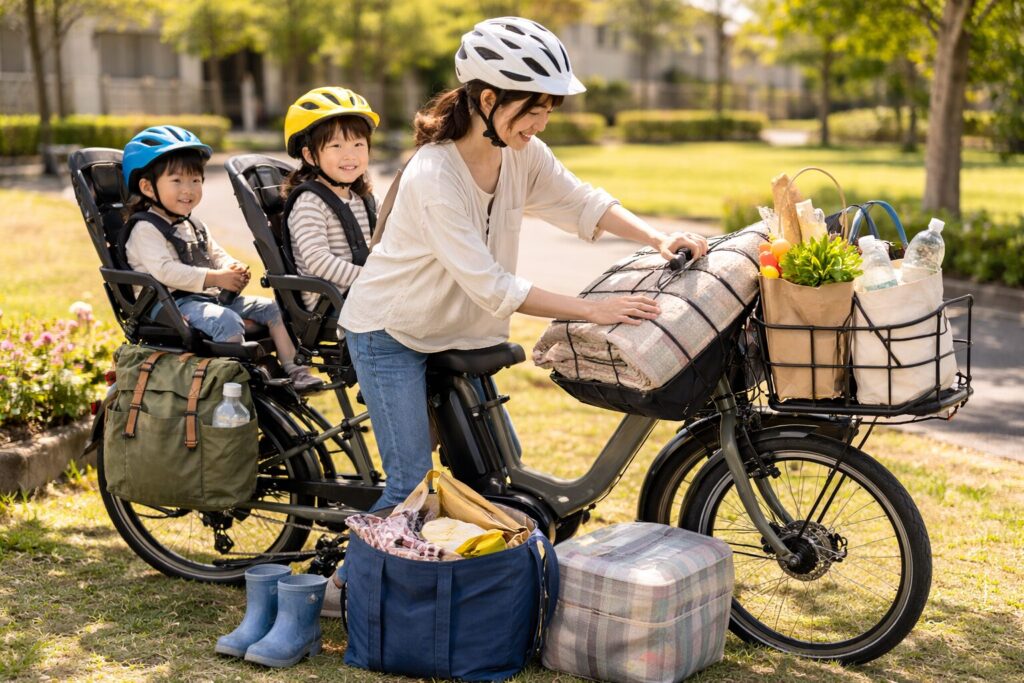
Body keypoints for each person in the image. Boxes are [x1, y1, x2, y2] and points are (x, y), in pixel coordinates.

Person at [338, 16, 709, 513]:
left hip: (456, 332)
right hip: (391, 332)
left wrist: (658, 236)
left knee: (497, 472)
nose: (541, 123)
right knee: (409, 487)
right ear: (487, 99)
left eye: (549, 109)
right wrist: (594, 310)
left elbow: (582, 202)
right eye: (533, 109)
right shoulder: (434, 176)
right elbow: (492, 287)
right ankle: (348, 584)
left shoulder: (521, 153)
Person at [121, 125, 324, 392]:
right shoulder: (145, 228)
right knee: (226, 321)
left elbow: (214, 252)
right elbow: (165, 272)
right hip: (169, 306)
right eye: (177, 181)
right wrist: (216, 278)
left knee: (274, 309)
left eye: (195, 180)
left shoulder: (191, 222)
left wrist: (230, 267)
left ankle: (295, 371)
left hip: (204, 298)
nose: (189, 189)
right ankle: (234, 383)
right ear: (147, 187)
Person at [281, 87, 379, 311]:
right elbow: (317, 260)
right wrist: (369, 279)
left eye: (358, 144)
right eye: (336, 145)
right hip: (330, 303)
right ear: (309, 155)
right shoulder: (309, 203)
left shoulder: (365, 199)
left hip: (363, 291)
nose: (350, 155)